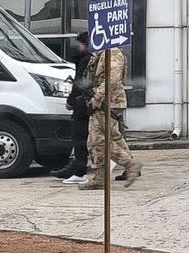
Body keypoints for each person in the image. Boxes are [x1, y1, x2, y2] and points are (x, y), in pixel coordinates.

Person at [79, 47, 143, 190]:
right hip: (106, 101)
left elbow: (112, 78)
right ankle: (102, 176)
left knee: (98, 140)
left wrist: (98, 96)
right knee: (110, 138)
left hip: (108, 102)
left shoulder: (112, 51)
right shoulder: (101, 52)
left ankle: (129, 164)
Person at [52, 32, 94, 183]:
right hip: (90, 103)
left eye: (80, 44)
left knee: (80, 137)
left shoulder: (86, 59)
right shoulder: (94, 58)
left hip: (82, 103)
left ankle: (79, 171)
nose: (78, 47)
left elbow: (79, 83)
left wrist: (71, 101)